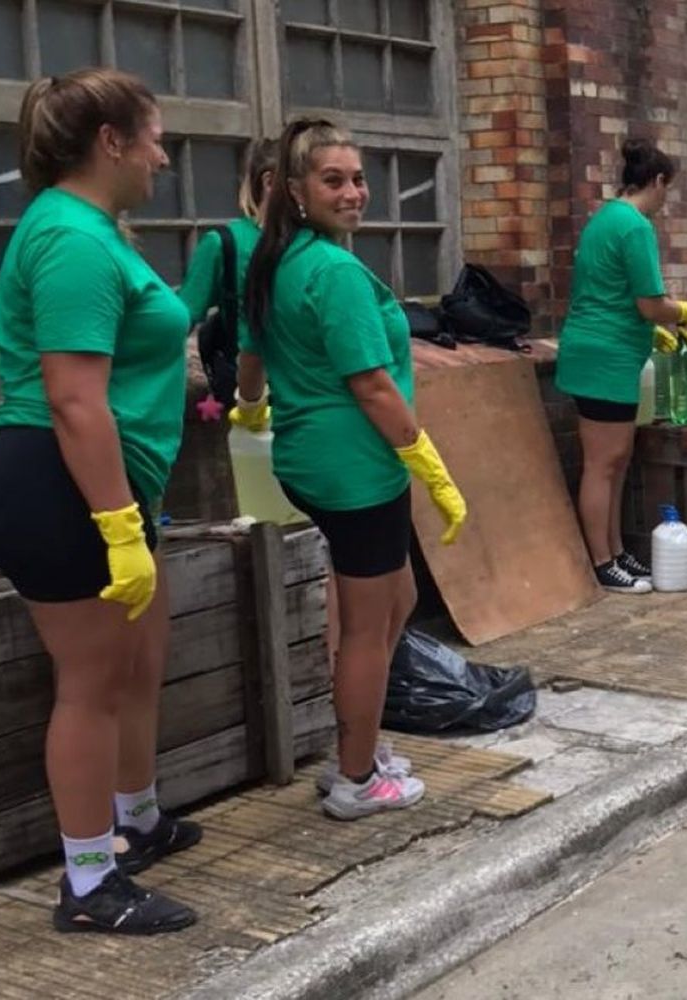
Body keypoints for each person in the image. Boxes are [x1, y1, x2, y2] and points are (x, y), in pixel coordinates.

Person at [0, 69, 199, 934]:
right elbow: (72, 397)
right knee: (92, 682)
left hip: (104, 482)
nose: (162, 155)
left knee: (139, 661)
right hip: (56, 484)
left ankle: (135, 819)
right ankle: (91, 882)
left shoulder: (98, 230)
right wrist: (115, 526)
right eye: (153, 137)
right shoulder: (69, 237)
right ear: (111, 142)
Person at [238, 118, 466, 820]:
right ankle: (356, 778)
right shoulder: (331, 271)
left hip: (316, 458)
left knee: (395, 601)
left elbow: (251, 357)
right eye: (333, 179)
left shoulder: (284, 258)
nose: (353, 192)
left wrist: (250, 407)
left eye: (359, 178)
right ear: (296, 191)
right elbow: (371, 383)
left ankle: (360, 742)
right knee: (367, 628)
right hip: (356, 468)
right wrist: (425, 460)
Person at [554, 138, 687, 594]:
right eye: (667, 189)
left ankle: (617, 552)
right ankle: (602, 563)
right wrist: (685, 315)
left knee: (617, 459)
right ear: (658, 181)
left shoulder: (605, 218)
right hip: (604, 356)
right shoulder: (635, 226)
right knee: (603, 463)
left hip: (603, 352)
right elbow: (650, 303)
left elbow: (614, 293)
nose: (665, 201)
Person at [178, 137, 278, 337]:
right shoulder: (224, 243)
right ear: (270, 182)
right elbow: (180, 322)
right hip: (242, 364)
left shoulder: (315, 242)